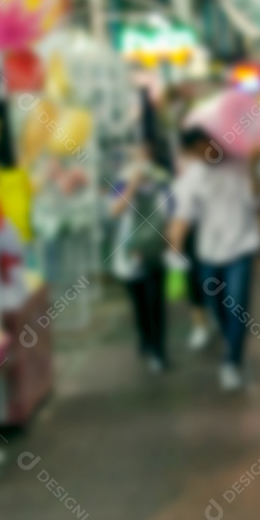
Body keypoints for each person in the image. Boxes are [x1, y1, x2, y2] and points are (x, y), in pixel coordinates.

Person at [168, 128, 260, 391]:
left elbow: (256, 198)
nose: (199, 155)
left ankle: (232, 362)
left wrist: (254, 168)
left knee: (237, 307)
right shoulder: (193, 177)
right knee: (217, 306)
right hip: (209, 253)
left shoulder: (240, 163)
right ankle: (227, 336)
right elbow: (183, 216)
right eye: (193, 153)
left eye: (199, 149)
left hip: (241, 247)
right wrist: (174, 245)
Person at [110, 144, 171, 373]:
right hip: (129, 253)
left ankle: (159, 350)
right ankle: (145, 338)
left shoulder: (162, 182)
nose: (141, 164)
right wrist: (133, 185)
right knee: (140, 303)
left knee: (155, 301)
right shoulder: (122, 184)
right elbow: (114, 211)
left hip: (155, 252)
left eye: (145, 157)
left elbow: (173, 212)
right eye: (137, 158)